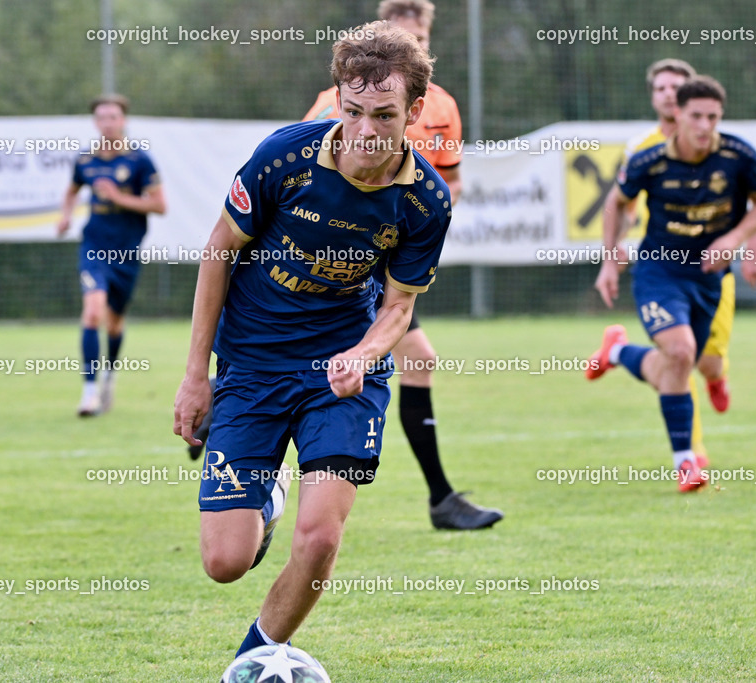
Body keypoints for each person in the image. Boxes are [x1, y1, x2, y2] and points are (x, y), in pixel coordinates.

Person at [173, 22, 449, 659]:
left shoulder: (426, 202)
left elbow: (400, 305)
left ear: (414, 110)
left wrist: (364, 354)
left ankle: (254, 660)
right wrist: (195, 375)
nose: (365, 130)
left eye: (384, 114)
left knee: (321, 539)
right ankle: (266, 489)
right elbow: (217, 251)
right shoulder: (285, 157)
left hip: (340, 372)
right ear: (337, 101)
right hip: (252, 364)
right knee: (224, 561)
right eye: (352, 111)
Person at [303, 0, 500, 531]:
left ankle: (439, 498)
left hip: (391, 260)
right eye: (402, 37)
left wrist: (421, 210)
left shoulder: (443, 107)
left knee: (412, 358)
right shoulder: (335, 102)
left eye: (420, 38)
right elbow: (305, 176)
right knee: (410, 356)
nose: (413, 45)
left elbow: (451, 182)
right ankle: (440, 498)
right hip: (340, 261)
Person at [587, 76, 756, 492]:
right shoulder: (647, 161)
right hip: (659, 271)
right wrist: (610, 259)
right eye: (696, 116)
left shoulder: (739, 155)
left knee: (680, 364)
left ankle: (617, 350)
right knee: (681, 350)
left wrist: (734, 240)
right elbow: (616, 204)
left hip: (708, 278)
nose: (705, 126)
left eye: (713, 117)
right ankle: (686, 461)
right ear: (679, 115)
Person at [57, 94, 166, 417]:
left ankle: (108, 378)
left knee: (115, 323)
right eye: (102, 117)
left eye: (113, 117)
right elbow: (71, 191)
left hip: (127, 253)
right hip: (93, 247)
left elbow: (159, 205)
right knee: (92, 312)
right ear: (95, 122)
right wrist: (65, 216)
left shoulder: (139, 161)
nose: (107, 123)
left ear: (124, 121)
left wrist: (119, 197)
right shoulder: (85, 160)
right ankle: (88, 392)